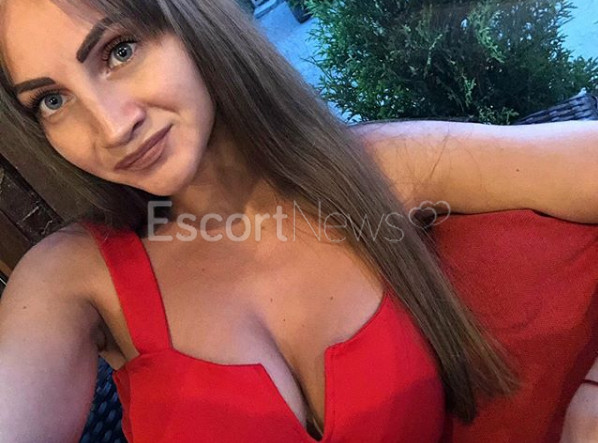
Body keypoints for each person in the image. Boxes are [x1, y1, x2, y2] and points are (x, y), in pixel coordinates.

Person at [0, 0, 596, 441]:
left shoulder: (380, 170)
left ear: (195, 19)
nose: (111, 126)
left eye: (120, 50)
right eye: (52, 100)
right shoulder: (71, 280)